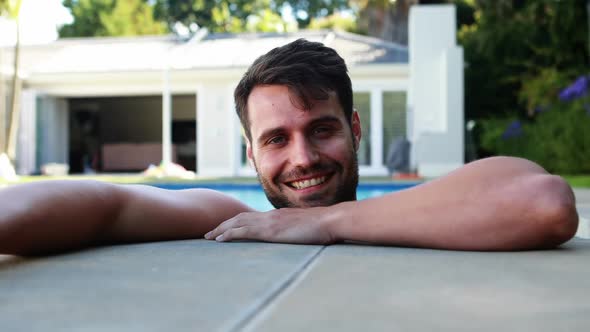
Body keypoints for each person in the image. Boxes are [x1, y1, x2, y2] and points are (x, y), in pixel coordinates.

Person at [0, 39, 578, 256]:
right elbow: (107, 205)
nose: (302, 158)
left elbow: (545, 204)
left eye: (321, 129)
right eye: (276, 139)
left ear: (355, 129)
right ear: (251, 153)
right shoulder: (235, 218)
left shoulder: (426, 213)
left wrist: (330, 221)